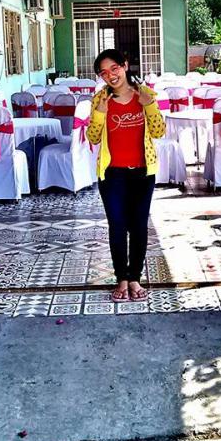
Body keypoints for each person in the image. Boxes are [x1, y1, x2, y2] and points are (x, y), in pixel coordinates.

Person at [86, 49, 166, 302]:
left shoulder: (145, 95)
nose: (110, 75)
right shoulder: (99, 99)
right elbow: (92, 138)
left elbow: (159, 132)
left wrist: (149, 106)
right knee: (117, 226)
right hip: (112, 175)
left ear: (125, 65)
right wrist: (100, 113)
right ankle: (121, 278)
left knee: (139, 226)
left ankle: (135, 279)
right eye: (103, 73)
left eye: (114, 68)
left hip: (142, 173)